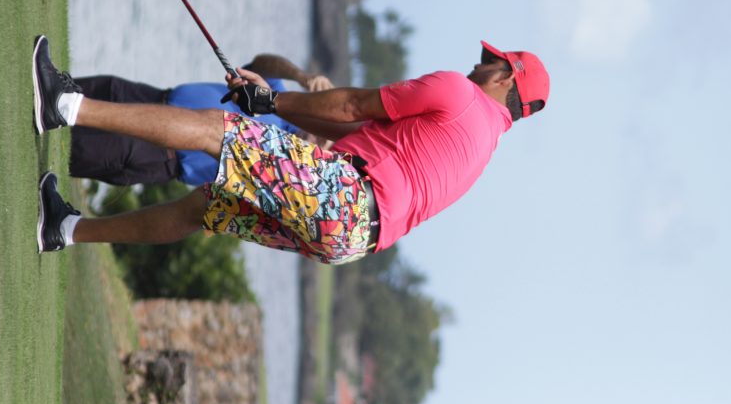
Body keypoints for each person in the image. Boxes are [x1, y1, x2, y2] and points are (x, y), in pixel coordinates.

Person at [31, 33, 549, 265]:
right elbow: (355, 133)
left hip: (344, 196)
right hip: (350, 240)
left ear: (507, 77)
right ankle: (64, 229)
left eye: (490, 61)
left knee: (218, 130)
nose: (478, 63)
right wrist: (272, 104)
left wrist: (273, 100)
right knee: (203, 206)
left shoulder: (458, 93)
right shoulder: (480, 149)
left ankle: (64, 105)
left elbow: (353, 106)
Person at [69, 55, 333, 186]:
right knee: (62, 92)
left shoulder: (285, 166)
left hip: (156, 151)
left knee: (68, 143)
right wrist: (301, 76)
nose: (320, 138)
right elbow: (259, 64)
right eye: (327, 132)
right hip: (149, 96)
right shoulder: (282, 102)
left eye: (325, 145)